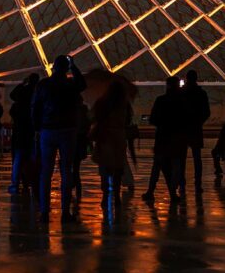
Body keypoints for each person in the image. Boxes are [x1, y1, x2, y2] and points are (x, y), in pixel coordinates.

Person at [31, 54, 86, 222]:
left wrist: (37, 127)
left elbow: (35, 107)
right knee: (66, 171)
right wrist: (74, 66)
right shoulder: (70, 85)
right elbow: (82, 84)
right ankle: (65, 212)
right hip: (68, 130)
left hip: (47, 129)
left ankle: (45, 212)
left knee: (45, 172)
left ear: (53, 67)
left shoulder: (43, 85)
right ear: (66, 69)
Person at [142, 76, 186, 205]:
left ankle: (151, 191)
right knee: (175, 166)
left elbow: (153, 119)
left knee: (157, 166)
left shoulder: (161, 100)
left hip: (162, 137)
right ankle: (173, 192)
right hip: (177, 138)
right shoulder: (181, 101)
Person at [91, 80, 132, 208]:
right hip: (119, 137)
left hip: (105, 136)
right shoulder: (124, 104)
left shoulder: (101, 103)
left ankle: (105, 195)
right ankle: (117, 195)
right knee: (118, 168)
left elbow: (94, 117)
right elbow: (128, 120)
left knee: (105, 167)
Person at [179, 70, 210, 197]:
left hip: (183, 128)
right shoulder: (201, 93)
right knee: (197, 158)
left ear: (186, 78)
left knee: (181, 158)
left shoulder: (181, 93)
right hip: (196, 128)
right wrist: (199, 122)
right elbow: (207, 112)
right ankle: (198, 183)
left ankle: (181, 182)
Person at [8, 73, 40, 194]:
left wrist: (22, 84)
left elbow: (12, 95)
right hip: (32, 131)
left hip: (19, 131)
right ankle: (31, 182)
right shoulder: (37, 94)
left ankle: (15, 183)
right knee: (32, 158)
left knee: (18, 158)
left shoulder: (20, 98)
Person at [73, 95, 90, 201]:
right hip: (81, 139)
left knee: (69, 165)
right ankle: (76, 184)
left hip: (72, 138)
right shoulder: (84, 110)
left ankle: (72, 183)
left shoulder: (71, 109)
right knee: (76, 166)